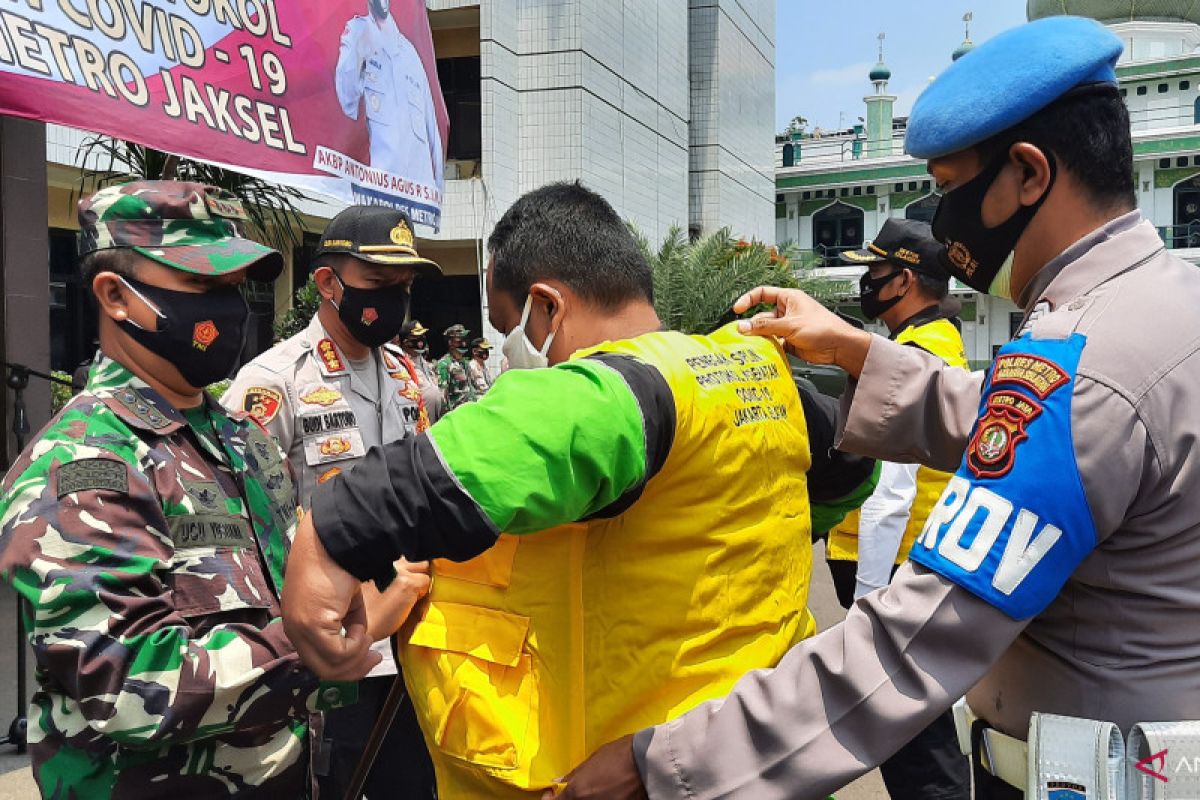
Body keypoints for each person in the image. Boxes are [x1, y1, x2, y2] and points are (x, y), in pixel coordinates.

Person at [548, 16, 1200, 800]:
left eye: (952, 190)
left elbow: (916, 637)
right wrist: (852, 351)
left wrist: (659, 764)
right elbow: (1013, 418)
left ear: (1028, 175)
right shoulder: (1162, 307)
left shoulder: (1091, 358)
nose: (941, 220)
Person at [278, 181, 877, 799]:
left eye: (509, 327)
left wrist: (329, 539)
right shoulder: (759, 381)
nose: (511, 353)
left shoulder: (613, 395)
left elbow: (425, 480)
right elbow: (850, 471)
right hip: (755, 759)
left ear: (546, 307)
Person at [0, 181, 363, 797]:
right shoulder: (85, 459)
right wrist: (312, 641)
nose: (229, 309)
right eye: (202, 287)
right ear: (116, 296)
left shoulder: (242, 436)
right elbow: (126, 685)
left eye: (233, 288)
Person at [224, 206, 439, 800]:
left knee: (412, 783)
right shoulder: (274, 383)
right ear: (327, 283)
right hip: (328, 640)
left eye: (403, 287)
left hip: (411, 631)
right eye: (379, 285)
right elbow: (247, 527)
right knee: (335, 780)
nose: (395, 301)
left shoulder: (404, 377)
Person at [829, 218, 970, 800]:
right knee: (912, 719)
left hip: (893, 566)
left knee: (912, 735)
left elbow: (892, 490)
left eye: (875, 271)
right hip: (912, 561)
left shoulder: (910, 356)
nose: (866, 282)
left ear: (905, 280)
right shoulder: (939, 344)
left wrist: (868, 598)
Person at [335, 0, 444, 191]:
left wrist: (438, 192)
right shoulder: (358, 34)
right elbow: (347, 100)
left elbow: (432, 128)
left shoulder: (411, 54)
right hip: (384, 192)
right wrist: (357, 45)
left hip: (420, 199)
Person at [400, 319, 446, 422]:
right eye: (416, 337)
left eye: (422, 336)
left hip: (434, 418)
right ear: (405, 341)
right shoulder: (401, 363)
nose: (420, 341)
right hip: (419, 420)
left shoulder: (424, 362)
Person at [434, 323, 477, 410]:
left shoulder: (465, 363)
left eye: (464, 339)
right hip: (456, 414)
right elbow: (443, 396)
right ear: (450, 342)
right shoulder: (444, 364)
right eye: (459, 340)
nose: (463, 343)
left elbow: (471, 387)